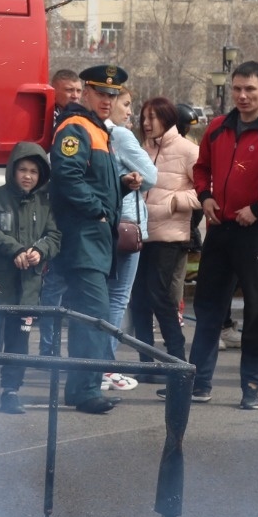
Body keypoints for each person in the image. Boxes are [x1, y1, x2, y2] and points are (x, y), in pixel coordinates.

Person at [174, 61, 258, 410]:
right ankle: (199, 383)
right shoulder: (218, 127)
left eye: (250, 89)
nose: (242, 96)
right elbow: (200, 168)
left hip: (257, 231)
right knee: (208, 310)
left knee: (257, 310)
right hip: (221, 228)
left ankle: (252, 386)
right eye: (237, 89)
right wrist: (205, 197)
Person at [48, 64, 139, 414]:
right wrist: (98, 209)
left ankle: (79, 388)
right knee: (94, 315)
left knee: (90, 316)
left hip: (94, 239)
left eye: (112, 95)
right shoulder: (77, 127)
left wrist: (119, 185)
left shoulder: (97, 131)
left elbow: (87, 179)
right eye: (101, 93)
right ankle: (86, 391)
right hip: (85, 238)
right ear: (86, 93)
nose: (108, 100)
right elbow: (67, 176)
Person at [0, 142, 60, 415]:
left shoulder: (45, 204)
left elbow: (55, 237)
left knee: (19, 344)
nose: (28, 176)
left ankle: (11, 392)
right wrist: (14, 249)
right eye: (22, 169)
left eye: (33, 171)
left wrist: (39, 252)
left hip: (28, 289)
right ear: (12, 170)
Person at [129, 98, 200, 373]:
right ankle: (145, 362)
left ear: (168, 118)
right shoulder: (141, 149)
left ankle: (176, 360)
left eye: (152, 118)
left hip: (169, 235)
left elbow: (209, 190)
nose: (146, 124)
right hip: (138, 234)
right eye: (143, 118)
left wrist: (175, 202)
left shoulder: (188, 150)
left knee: (161, 296)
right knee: (139, 299)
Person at [103, 86, 157, 392]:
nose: (129, 112)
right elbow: (150, 176)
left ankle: (95, 364)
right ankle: (107, 366)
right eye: (125, 104)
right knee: (118, 297)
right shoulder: (121, 136)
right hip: (126, 224)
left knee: (102, 298)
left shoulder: (90, 133)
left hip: (103, 224)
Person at [38, 69, 83, 356]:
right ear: (54, 91)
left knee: (62, 283)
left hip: (69, 213)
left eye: (78, 91)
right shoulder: (47, 120)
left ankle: (54, 349)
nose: (75, 96)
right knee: (52, 284)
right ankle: (48, 348)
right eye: (69, 90)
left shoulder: (80, 123)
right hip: (48, 208)